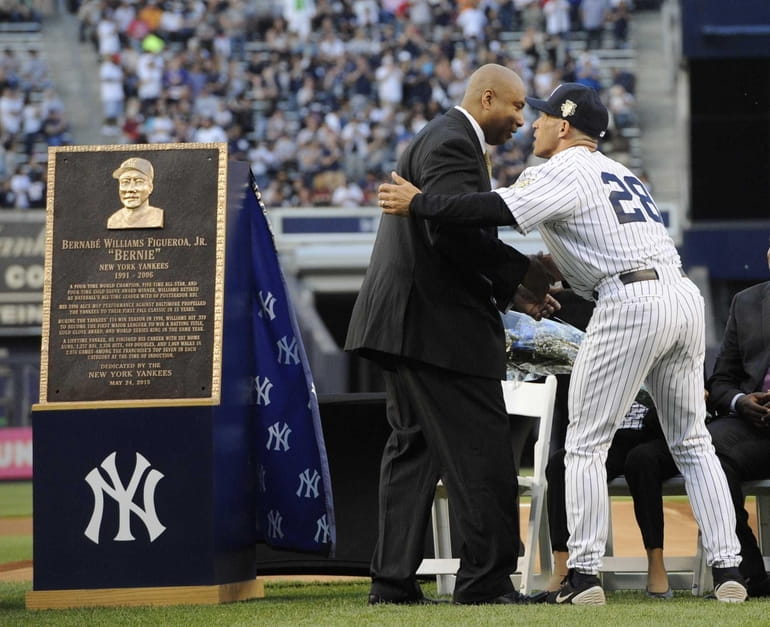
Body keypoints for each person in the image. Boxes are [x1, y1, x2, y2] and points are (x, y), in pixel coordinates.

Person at [376, 82, 747, 604]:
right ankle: (730, 570)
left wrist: (420, 204)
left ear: (565, 127)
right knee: (692, 441)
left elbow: (491, 209)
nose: (534, 124)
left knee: (585, 444)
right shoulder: (621, 172)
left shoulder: (562, 168)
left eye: (545, 117)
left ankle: (586, 575)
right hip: (680, 297)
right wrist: (550, 271)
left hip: (628, 302)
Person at [344, 63, 555, 606]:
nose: (520, 118)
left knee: (413, 451)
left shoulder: (441, 137)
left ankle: (391, 582)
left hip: (409, 326)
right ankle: (485, 583)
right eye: (516, 106)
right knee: (482, 451)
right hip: (440, 331)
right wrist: (519, 271)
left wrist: (512, 288)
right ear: (488, 98)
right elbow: (452, 232)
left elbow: (445, 234)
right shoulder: (454, 143)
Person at [705, 243, 770, 598]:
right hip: (755, 425)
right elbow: (720, 382)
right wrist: (741, 401)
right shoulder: (745, 302)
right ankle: (747, 572)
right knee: (707, 452)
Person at [108, 157, 164, 229]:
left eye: (139, 182)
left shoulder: (158, 217)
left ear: (150, 187)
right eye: (125, 182)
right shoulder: (113, 220)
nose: (130, 189)